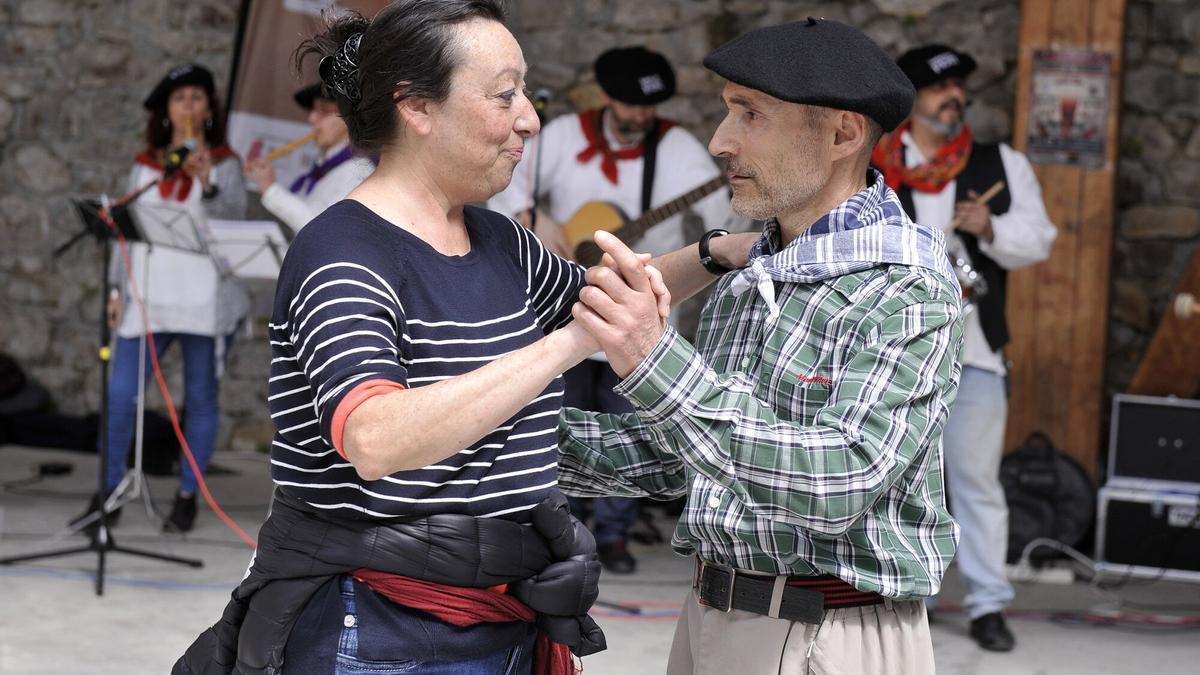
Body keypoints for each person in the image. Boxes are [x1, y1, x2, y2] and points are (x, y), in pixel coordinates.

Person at [173, 3, 754, 673]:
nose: (530, 118)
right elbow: (376, 437)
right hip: (380, 627)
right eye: (504, 93)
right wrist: (566, 344)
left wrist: (722, 251)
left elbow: (606, 297)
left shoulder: (498, 237)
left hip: (497, 611)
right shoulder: (344, 253)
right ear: (417, 107)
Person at [555, 19, 965, 673]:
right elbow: (683, 461)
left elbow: (839, 476)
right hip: (710, 620)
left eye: (750, 114)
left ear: (843, 133)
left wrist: (652, 356)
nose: (721, 141)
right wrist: (496, 433)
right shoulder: (752, 279)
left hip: (830, 634)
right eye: (727, 112)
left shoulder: (904, 284)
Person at [489, 46, 744, 574]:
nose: (639, 116)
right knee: (557, 414)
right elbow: (508, 186)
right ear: (607, 99)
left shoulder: (676, 148)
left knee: (633, 423)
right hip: (563, 308)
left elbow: (725, 211)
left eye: (647, 107)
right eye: (628, 105)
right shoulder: (561, 136)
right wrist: (540, 224)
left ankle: (613, 534)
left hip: (638, 314)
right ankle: (560, 525)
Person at [872, 43, 1057, 652]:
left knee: (975, 480)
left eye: (959, 88)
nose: (954, 98)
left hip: (975, 349)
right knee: (892, 477)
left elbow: (1039, 239)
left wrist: (992, 228)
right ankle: (905, 597)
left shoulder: (997, 161)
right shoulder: (874, 166)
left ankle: (986, 603)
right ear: (911, 100)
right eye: (938, 89)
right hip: (891, 351)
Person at [72, 62, 248, 534]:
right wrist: (114, 288)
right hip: (147, 298)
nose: (189, 106)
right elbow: (121, 231)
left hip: (204, 302)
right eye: (180, 99)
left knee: (200, 400)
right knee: (120, 395)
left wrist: (208, 181)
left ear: (209, 108)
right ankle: (107, 495)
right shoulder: (145, 165)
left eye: (198, 97)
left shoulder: (227, 163)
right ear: (166, 112)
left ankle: (187, 495)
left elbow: (234, 220)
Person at [244, 82, 375, 234]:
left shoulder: (358, 171)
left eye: (324, 111)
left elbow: (321, 229)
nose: (312, 118)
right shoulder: (323, 167)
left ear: (350, 118)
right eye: (312, 111)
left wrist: (270, 189)